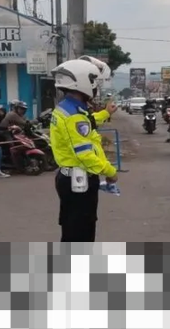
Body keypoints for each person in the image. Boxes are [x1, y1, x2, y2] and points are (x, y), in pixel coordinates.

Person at [50, 59, 118, 242]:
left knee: (73, 229)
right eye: (93, 81)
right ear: (82, 82)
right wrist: (110, 172)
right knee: (81, 233)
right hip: (79, 180)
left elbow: (88, 123)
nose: (95, 87)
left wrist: (106, 113)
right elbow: (85, 154)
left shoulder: (68, 108)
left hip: (70, 177)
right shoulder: (74, 116)